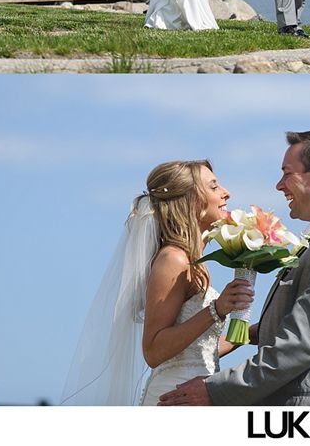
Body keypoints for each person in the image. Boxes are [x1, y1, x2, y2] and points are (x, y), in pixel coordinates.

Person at [158, 128, 310, 406]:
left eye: (287, 173)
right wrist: (251, 332)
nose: (279, 185)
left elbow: (300, 345)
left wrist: (214, 390)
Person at [60, 160, 253, 405]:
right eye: (214, 187)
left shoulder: (194, 261)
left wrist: (246, 335)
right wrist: (217, 309)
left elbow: (195, 353)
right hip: (172, 397)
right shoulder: (173, 259)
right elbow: (153, 351)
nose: (226, 193)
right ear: (191, 200)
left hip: (193, 394)